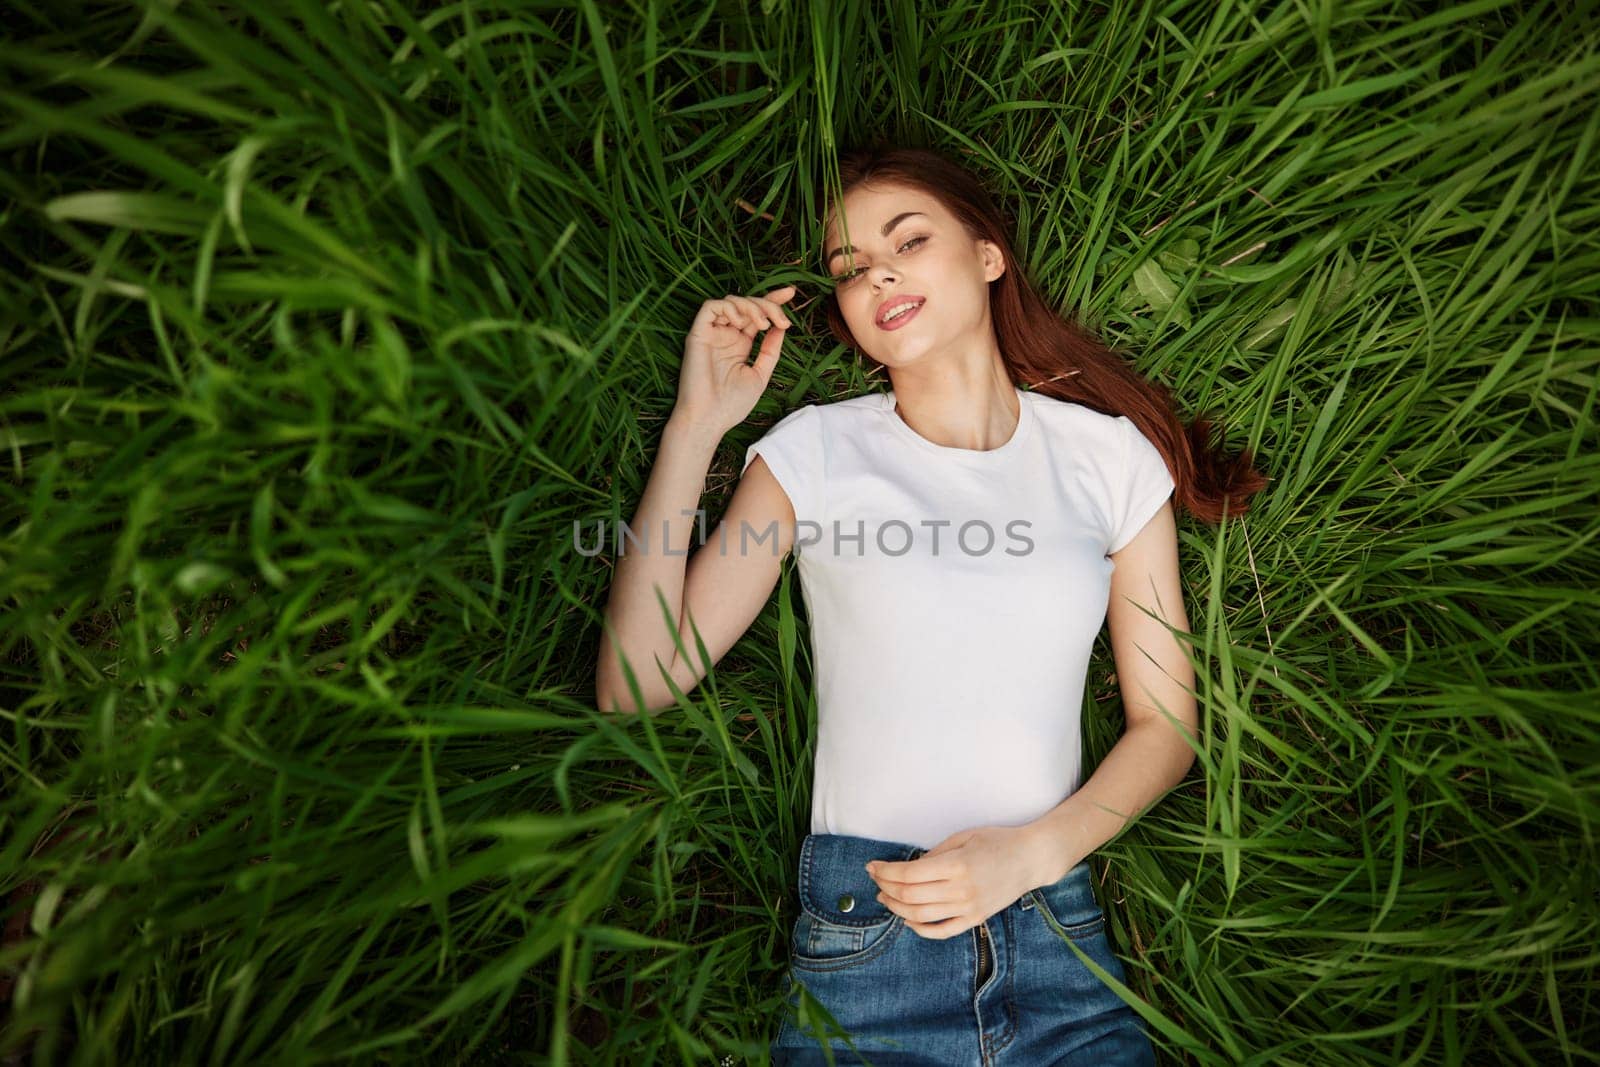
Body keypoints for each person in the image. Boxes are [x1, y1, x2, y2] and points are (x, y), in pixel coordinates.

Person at [595, 144, 1267, 1065]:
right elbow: (637, 681)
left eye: (907, 240)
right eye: (850, 268)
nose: (877, 274)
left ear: (989, 255)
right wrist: (697, 424)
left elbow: (1167, 725)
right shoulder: (816, 454)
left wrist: (1031, 856)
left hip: (1059, 946)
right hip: (867, 957)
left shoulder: (1110, 461)